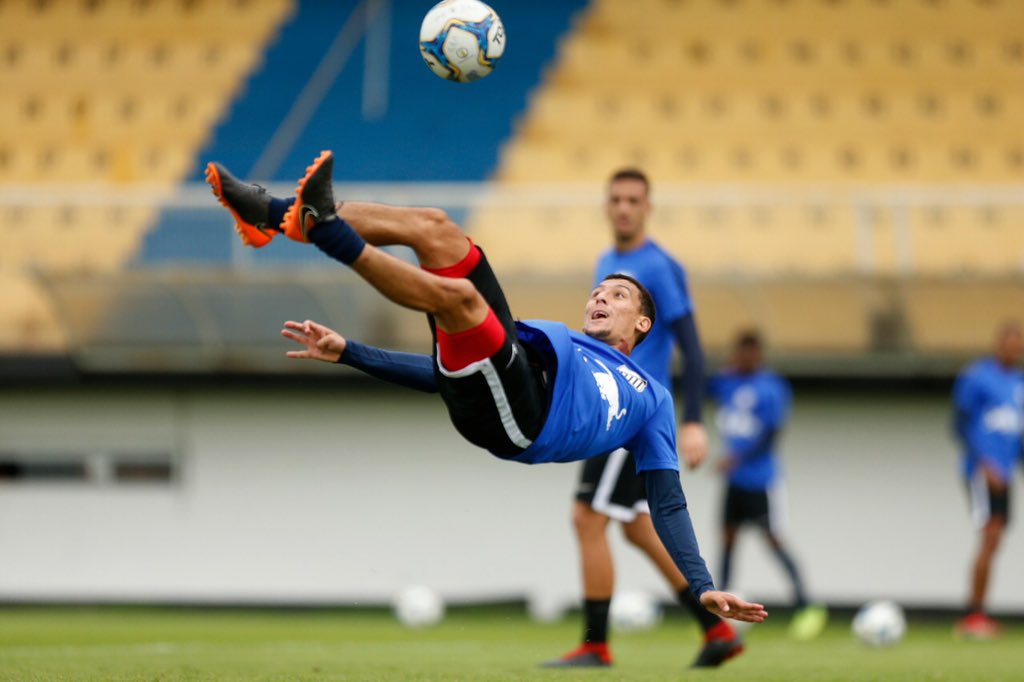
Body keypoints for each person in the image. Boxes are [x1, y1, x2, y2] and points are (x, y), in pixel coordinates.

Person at [204, 153, 768, 647]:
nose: (601, 295)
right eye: (598, 290)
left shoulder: (651, 400)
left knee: (461, 300)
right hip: (511, 370)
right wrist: (348, 351)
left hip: (524, 419)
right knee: (438, 230)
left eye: (617, 295)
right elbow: (447, 374)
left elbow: (666, 502)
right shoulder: (564, 341)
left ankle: (325, 229)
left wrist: (703, 586)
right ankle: (278, 214)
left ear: (641, 323)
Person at [543, 169, 740, 670]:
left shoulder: (659, 265)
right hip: (609, 402)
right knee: (634, 527)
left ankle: (595, 645)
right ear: (607, 206)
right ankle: (715, 627)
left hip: (630, 413)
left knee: (587, 518)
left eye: (633, 200)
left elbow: (693, 348)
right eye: (616, 199)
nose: (624, 208)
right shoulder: (608, 263)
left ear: (647, 207)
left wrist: (693, 420)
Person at [710, 330, 826, 640]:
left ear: (758, 354)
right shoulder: (726, 381)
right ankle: (722, 612)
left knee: (774, 540)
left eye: (751, 352)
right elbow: (701, 387)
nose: (745, 357)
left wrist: (737, 457)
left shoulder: (772, 387)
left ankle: (807, 606)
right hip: (734, 483)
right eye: (740, 351)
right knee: (728, 541)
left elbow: (772, 434)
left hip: (762, 480)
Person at [952, 321, 1024, 639]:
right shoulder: (978, 376)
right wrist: (985, 463)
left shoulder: (1020, 383)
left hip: (1006, 473)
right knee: (990, 535)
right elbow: (959, 424)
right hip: (984, 472)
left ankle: (978, 613)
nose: (1016, 347)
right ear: (1000, 343)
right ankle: (973, 615)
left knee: (996, 538)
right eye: (1012, 340)